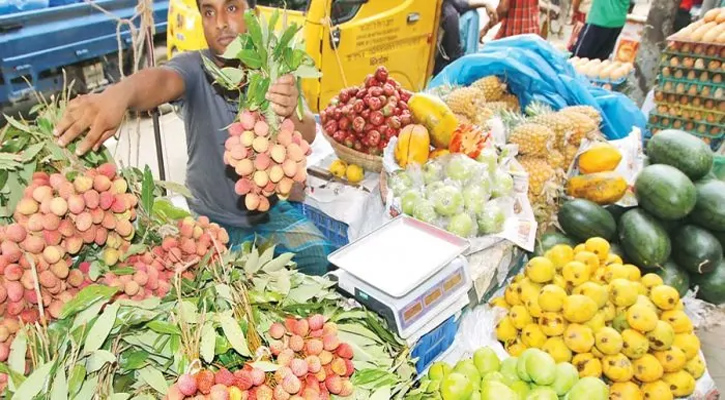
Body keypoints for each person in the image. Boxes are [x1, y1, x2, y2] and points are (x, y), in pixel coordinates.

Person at [53, 0, 333, 276]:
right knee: (234, 280)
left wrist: (287, 109)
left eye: (232, 8)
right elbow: (161, 80)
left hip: (268, 211)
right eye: (208, 12)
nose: (220, 22)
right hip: (212, 217)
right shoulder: (195, 69)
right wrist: (120, 94)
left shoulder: (276, 70)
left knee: (320, 258)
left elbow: (307, 132)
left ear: (254, 14)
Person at [435, 0, 498, 75]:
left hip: (452, 50)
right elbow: (453, 11)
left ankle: (469, 62)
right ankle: (467, 65)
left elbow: (460, 5)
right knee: (471, 15)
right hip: (447, 55)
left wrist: (485, 4)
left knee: (472, 13)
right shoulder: (447, 9)